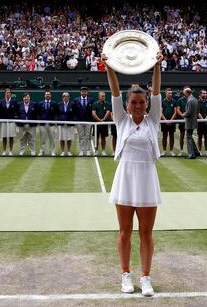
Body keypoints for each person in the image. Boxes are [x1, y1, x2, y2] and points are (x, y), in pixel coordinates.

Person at [103, 51, 163, 297]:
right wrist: (109, 66)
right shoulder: (121, 120)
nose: (138, 105)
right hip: (125, 179)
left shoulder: (153, 120)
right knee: (125, 232)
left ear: (146, 104)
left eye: (141, 102)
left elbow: (157, 91)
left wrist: (157, 65)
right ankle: (125, 275)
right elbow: (115, 90)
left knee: (146, 233)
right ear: (127, 105)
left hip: (147, 179)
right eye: (133, 102)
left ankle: (146, 277)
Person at [74, 87, 94, 156]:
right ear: (80, 92)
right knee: (81, 136)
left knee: (88, 136)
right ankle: (81, 150)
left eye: (85, 91)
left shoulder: (91, 100)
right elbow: (75, 111)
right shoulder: (76, 100)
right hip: (79, 121)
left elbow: (92, 110)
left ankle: (88, 150)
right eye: (82, 91)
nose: (84, 92)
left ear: (87, 92)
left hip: (88, 121)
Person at [92, 91, 112, 156]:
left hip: (104, 123)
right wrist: (99, 120)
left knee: (103, 138)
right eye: (102, 96)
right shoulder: (95, 104)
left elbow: (108, 112)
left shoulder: (107, 104)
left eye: (104, 96)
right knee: (96, 138)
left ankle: (103, 150)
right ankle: (96, 150)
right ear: (99, 97)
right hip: (96, 124)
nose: (104, 97)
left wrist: (103, 120)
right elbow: (93, 113)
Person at [182, 87, 199, 159]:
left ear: (187, 93)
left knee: (188, 137)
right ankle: (196, 152)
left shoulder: (190, 100)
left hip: (189, 122)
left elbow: (188, 112)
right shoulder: (195, 100)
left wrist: (184, 114)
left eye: (184, 93)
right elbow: (198, 111)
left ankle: (191, 154)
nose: (184, 95)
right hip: (194, 121)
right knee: (190, 136)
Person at [57, 92, 75, 156]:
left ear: (69, 97)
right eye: (64, 96)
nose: (66, 97)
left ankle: (69, 151)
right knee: (61, 138)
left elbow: (74, 113)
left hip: (70, 124)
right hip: (61, 124)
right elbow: (57, 113)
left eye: (67, 96)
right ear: (62, 97)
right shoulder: (59, 104)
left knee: (69, 138)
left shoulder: (72, 104)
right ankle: (62, 151)